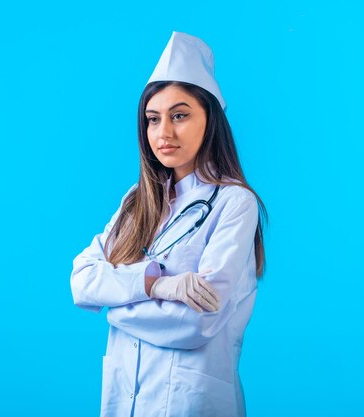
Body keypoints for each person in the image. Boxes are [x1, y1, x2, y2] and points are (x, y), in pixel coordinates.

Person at [70, 31, 267, 417]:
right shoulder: (137, 200)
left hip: (189, 403)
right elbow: (81, 281)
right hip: (125, 398)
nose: (164, 133)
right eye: (153, 119)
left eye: (180, 115)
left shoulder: (234, 203)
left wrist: (115, 304)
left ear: (210, 119)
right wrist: (157, 285)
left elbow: (193, 325)